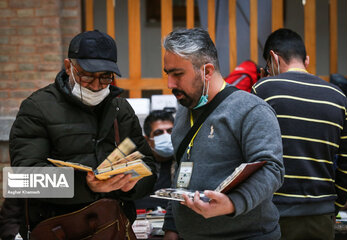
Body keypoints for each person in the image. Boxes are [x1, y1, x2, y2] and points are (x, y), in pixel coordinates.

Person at [9, 30, 157, 239]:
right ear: (69, 67)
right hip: (59, 230)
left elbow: (149, 166)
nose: (96, 86)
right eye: (87, 76)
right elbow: (23, 181)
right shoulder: (37, 108)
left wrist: (131, 184)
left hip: (110, 228)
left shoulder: (120, 109)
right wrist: (86, 185)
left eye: (105, 77)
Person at [162, 28, 284, 240]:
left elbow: (272, 170)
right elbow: (181, 171)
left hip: (248, 235)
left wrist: (232, 203)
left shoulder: (251, 110)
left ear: (207, 71)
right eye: (168, 74)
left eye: (178, 74)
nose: (170, 84)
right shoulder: (183, 110)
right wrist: (171, 226)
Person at [252, 28, 347, 240]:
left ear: (273, 58)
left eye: (267, 67)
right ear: (306, 60)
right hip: (321, 217)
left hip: (272, 215)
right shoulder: (338, 97)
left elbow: (248, 154)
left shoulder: (262, 90)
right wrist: (333, 205)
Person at [135, 110, 175, 210]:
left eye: (170, 131)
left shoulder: (185, 161)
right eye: (159, 133)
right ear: (148, 140)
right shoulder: (137, 165)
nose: (166, 136)